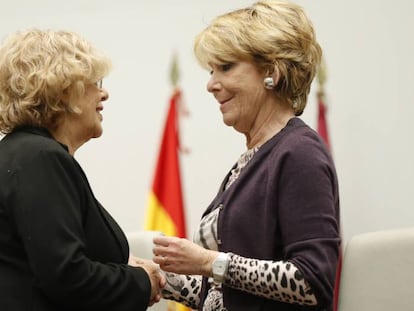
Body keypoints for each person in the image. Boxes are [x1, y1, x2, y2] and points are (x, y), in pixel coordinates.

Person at [152, 1, 341, 311]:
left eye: (225, 67)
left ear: (272, 72)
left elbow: (312, 280)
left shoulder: (299, 153)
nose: (211, 84)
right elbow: (222, 291)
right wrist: (149, 276)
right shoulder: (253, 159)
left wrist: (210, 262)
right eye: (211, 70)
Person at [0, 29, 165, 311]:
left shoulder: (20, 154)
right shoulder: (41, 158)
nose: (105, 92)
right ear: (63, 88)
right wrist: (141, 281)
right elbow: (66, 276)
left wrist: (120, 265)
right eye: (94, 81)